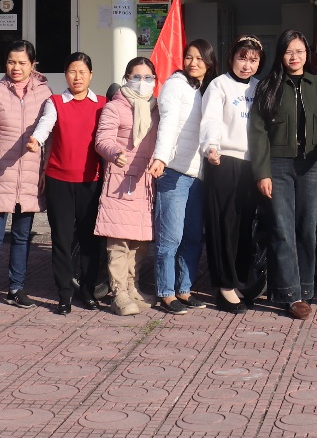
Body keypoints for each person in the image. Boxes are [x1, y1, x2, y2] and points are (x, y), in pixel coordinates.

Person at [249, 29, 317, 319]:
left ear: (307, 54)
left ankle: (306, 289)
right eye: (288, 51)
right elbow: (257, 132)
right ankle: (291, 295)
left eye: (299, 51)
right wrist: (262, 172)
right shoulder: (268, 86)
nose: (294, 57)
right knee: (282, 230)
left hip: (312, 166)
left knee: (307, 229)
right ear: (280, 55)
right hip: (279, 166)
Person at [0, 40, 54, 316]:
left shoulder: (45, 94)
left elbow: (49, 135)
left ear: (33, 65)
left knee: (22, 236)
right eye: (10, 61)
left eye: (21, 62)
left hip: (30, 173)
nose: (15, 67)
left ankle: (16, 289)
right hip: (0, 172)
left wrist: (44, 170)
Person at [28, 52, 107, 314]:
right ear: (65, 75)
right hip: (59, 181)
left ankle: (87, 289)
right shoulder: (56, 102)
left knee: (89, 239)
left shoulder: (102, 104)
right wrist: (36, 140)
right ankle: (64, 294)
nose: (77, 77)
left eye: (82, 72)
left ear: (91, 75)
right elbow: (45, 125)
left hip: (91, 181)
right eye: (72, 71)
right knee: (61, 239)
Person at [150, 40, 217, 313]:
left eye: (200, 59)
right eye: (189, 57)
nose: (193, 63)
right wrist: (161, 157)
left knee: (191, 237)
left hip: (198, 174)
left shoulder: (208, 88)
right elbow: (167, 124)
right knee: (170, 237)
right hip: (174, 171)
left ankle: (185, 289)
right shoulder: (175, 85)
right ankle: (166, 292)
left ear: (209, 63)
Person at [199, 36, 264, 313]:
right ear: (231, 58)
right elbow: (211, 118)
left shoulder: (260, 88)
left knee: (244, 225)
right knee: (222, 225)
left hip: (252, 164)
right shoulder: (219, 85)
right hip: (224, 161)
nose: (247, 65)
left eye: (253, 60)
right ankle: (224, 286)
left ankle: (238, 280)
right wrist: (211, 146)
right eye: (242, 58)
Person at [94, 57, 160, 316]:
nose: (142, 83)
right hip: (120, 180)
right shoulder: (115, 107)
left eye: (147, 78)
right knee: (119, 241)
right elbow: (102, 140)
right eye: (136, 77)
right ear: (126, 78)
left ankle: (133, 286)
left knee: (139, 241)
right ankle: (118, 292)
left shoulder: (156, 108)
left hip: (146, 181)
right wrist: (114, 152)